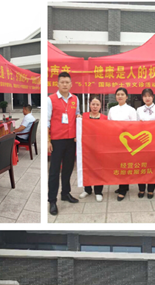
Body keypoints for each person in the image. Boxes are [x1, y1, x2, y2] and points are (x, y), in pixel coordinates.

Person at [48, 72, 81, 216]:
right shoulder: (50, 99)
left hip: (71, 140)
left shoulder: (75, 99)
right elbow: (47, 121)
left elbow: (77, 114)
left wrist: (78, 117)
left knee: (68, 168)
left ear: (71, 84)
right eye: (62, 82)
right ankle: (52, 200)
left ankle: (65, 193)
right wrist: (48, 140)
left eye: (67, 82)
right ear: (58, 84)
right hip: (56, 140)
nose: (65, 84)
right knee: (54, 171)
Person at [108, 87, 138, 201]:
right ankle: (123, 185)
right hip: (115, 140)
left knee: (125, 164)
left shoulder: (131, 110)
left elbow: (134, 126)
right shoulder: (112, 109)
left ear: (126, 97)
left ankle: (123, 189)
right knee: (117, 164)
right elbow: (108, 125)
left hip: (126, 142)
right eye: (118, 94)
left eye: (122, 94)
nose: (120, 96)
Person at [136, 88, 155, 199]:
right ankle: (141, 188)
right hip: (141, 143)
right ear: (142, 98)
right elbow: (134, 126)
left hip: (154, 142)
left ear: (153, 97)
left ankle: (151, 189)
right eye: (145, 96)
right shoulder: (139, 110)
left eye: (149, 96)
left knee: (152, 166)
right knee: (141, 165)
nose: (147, 98)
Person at [78, 96, 107, 202]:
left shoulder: (105, 118)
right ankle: (87, 189)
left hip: (100, 147)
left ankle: (98, 191)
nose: (95, 106)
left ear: (100, 106)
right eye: (93, 104)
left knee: (99, 169)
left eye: (97, 104)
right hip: (87, 147)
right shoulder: (84, 116)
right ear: (89, 105)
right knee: (87, 168)